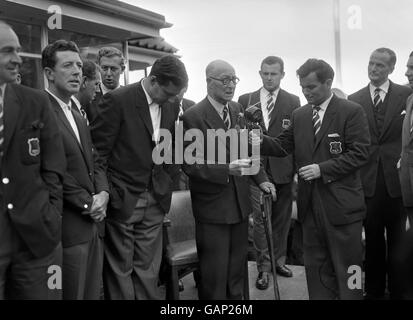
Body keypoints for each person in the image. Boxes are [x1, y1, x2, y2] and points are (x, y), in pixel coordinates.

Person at [252, 58, 370, 299]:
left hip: (342, 207)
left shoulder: (352, 112)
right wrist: (256, 140)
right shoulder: (300, 115)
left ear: (328, 83)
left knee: (350, 266)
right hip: (309, 207)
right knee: (315, 268)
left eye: (311, 87)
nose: (305, 92)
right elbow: (282, 146)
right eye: (302, 87)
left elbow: (360, 153)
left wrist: (322, 169)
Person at [90, 55, 188, 300]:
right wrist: (105, 190)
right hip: (123, 200)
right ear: (153, 80)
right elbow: (98, 153)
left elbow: (169, 149)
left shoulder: (170, 104)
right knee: (119, 270)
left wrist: (167, 184)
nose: (172, 98)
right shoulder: (116, 100)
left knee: (148, 270)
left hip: (156, 199)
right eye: (167, 92)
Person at [181, 60, 263, 300]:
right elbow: (189, 164)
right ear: (209, 82)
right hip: (213, 208)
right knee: (215, 275)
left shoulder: (238, 110)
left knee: (237, 270)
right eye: (224, 80)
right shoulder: (192, 117)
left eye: (234, 80)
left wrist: (262, 180)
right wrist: (225, 169)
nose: (231, 86)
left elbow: (250, 150)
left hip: (239, 204)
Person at [0, 21, 66, 299]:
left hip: (35, 240)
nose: (18, 59)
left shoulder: (35, 102)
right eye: (7, 51)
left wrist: (51, 214)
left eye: (18, 50)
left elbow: (54, 166)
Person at [42, 40, 109, 300]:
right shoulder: (38, 110)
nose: (76, 72)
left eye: (79, 66)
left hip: (92, 225)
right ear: (48, 73)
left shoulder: (78, 114)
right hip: (67, 230)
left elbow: (95, 159)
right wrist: (88, 203)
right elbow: (49, 168)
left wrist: (103, 193)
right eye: (67, 65)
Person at [348, 48, 412, 300]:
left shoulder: (407, 95)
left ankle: (399, 291)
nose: (374, 69)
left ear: (391, 69)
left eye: (380, 66)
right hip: (369, 183)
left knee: (399, 242)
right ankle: (373, 291)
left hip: (397, 183)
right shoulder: (355, 99)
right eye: (371, 63)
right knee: (372, 242)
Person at [238, 56, 300, 290]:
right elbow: (242, 138)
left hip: (284, 169)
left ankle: (279, 262)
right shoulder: (246, 99)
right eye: (265, 73)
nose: (269, 77)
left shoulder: (293, 101)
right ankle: (263, 268)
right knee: (262, 222)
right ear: (260, 73)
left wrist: (295, 171)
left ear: (282, 74)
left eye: (274, 73)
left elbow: (295, 139)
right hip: (256, 170)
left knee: (282, 221)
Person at [85, 47, 125, 122]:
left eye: (113, 69)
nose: (108, 73)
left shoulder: (130, 97)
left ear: (122, 69)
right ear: (98, 68)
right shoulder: (88, 98)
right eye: (104, 68)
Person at [171, 85, 195, 191]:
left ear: (185, 88)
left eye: (178, 87)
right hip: (170, 163)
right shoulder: (162, 106)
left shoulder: (192, 106)